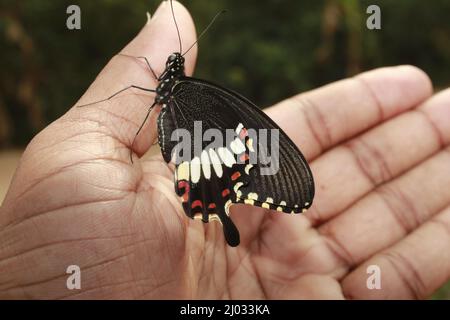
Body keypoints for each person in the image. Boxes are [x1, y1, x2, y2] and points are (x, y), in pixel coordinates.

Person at [0, 1, 449, 299]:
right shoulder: (181, 92)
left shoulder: (188, 93)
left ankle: (217, 200)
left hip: (207, 163)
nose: (167, 71)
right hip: (204, 163)